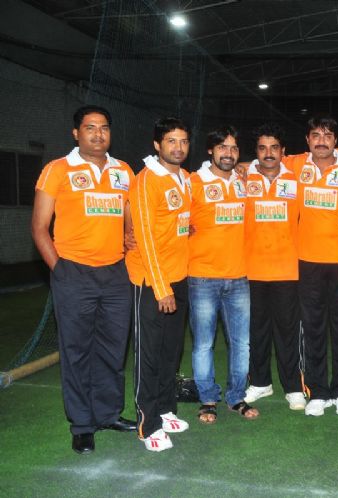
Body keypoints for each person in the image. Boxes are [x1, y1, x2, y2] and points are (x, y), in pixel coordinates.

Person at [31, 105, 137, 454]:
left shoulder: (123, 171)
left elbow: (130, 219)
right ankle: (82, 424)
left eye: (104, 127)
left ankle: (108, 414)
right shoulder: (58, 169)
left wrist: (129, 240)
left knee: (112, 348)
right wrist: (59, 269)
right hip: (73, 272)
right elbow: (39, 227)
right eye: (90, 128)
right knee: (76, 351)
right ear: (76, 133)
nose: (98, 134)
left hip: (116, 273)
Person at [284, 116, 338, 417]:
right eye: (316, 135)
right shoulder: (294, 165)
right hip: (307, 263)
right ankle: (318, 391)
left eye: (328, 135)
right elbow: (260, 164)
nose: (321, 141)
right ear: (307, 140)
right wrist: (245, 166)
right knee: (313, 328)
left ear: (336, 141)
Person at [126, 117, 193, 452]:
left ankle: (166, 409)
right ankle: (147, 423)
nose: (178, 147)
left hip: (180, 277)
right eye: (171, 141)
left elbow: (178, 221)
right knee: (149, 355)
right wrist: (161, 286)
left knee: (171, 351)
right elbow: (145, 238)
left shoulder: (186, 178)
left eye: (183, 141)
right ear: (157, 145)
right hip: (151, 280)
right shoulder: (145, 181)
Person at [188, 126, 255, 424]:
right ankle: (207, 400)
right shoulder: (193, 182)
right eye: (222, 147)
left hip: (238, 278)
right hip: (202, 277)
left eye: (233, 148)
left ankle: (236, 397)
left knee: (241, 343)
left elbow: (274, 162)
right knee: (204, 344)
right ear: (210, 150)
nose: (228, 153)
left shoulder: (243, 181)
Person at [242, 123, 307, 411]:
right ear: (255, 152)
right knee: (257, 330)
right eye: (262, 148)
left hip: (287, 270)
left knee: (287, 331)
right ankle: (260, 382)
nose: (268, 153)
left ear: (283, 151)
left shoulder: (297, 178)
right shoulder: (242, 178)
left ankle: (293, 386)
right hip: (251, 269)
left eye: (274, 148)